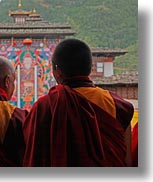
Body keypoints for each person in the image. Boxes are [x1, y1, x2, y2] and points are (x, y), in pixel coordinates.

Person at [22, 39, 134, 167]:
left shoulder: (44, 106)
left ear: (57, 71)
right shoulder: (116, 105)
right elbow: (127, 161)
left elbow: (33, 155)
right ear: (90, 69)